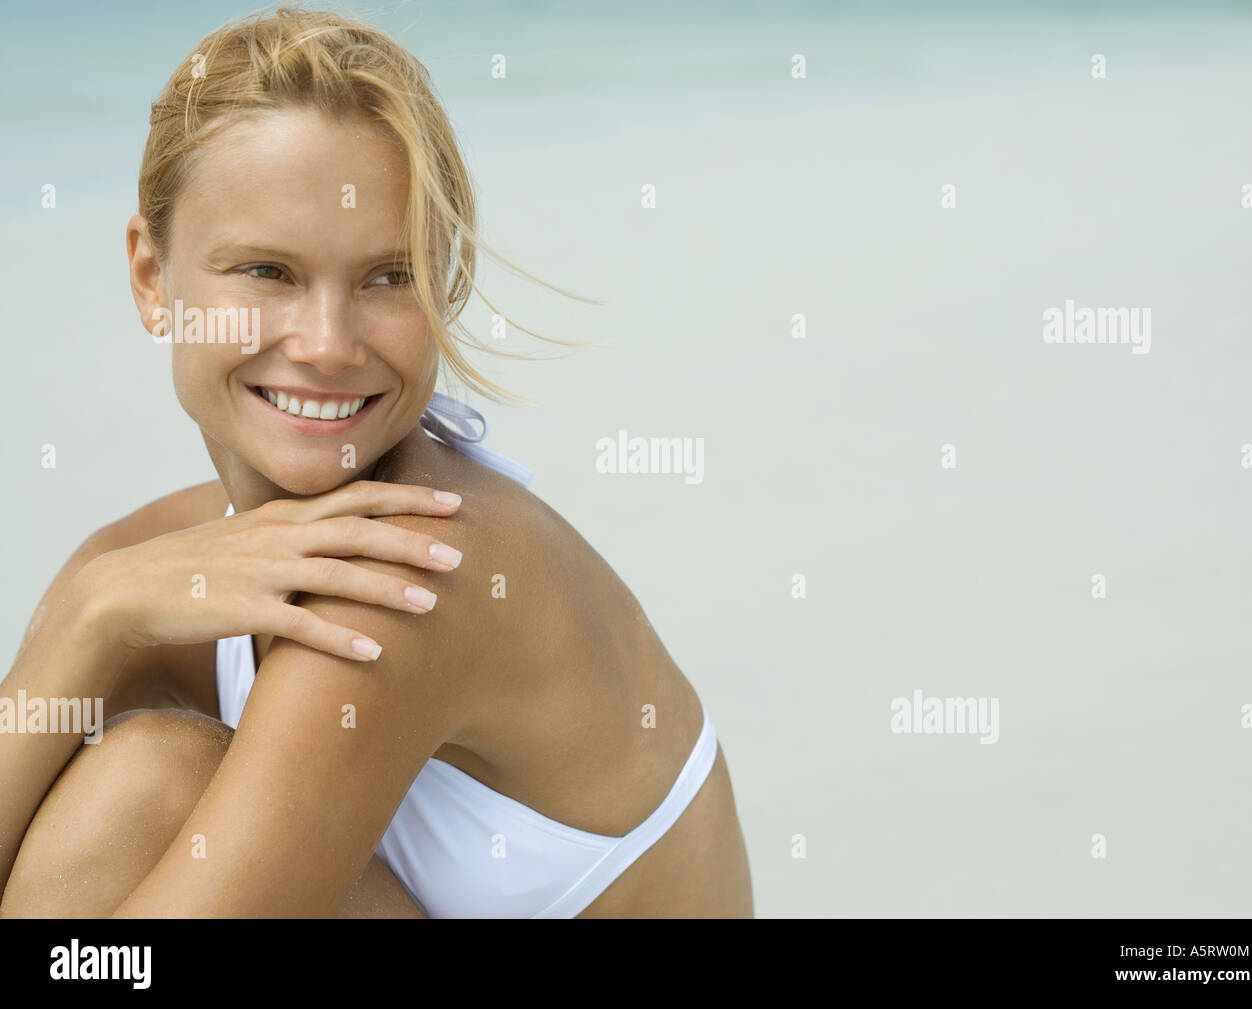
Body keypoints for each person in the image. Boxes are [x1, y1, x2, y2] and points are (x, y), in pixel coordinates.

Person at [0, 7, 752, 918]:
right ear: (153, 280)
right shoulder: (150, 563)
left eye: (388, 278)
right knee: (131, 789)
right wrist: (89, 616)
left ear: (448, 285)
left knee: (144, 782)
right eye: (267, 272)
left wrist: (92, 610)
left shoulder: (416, 571)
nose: (326, 344)